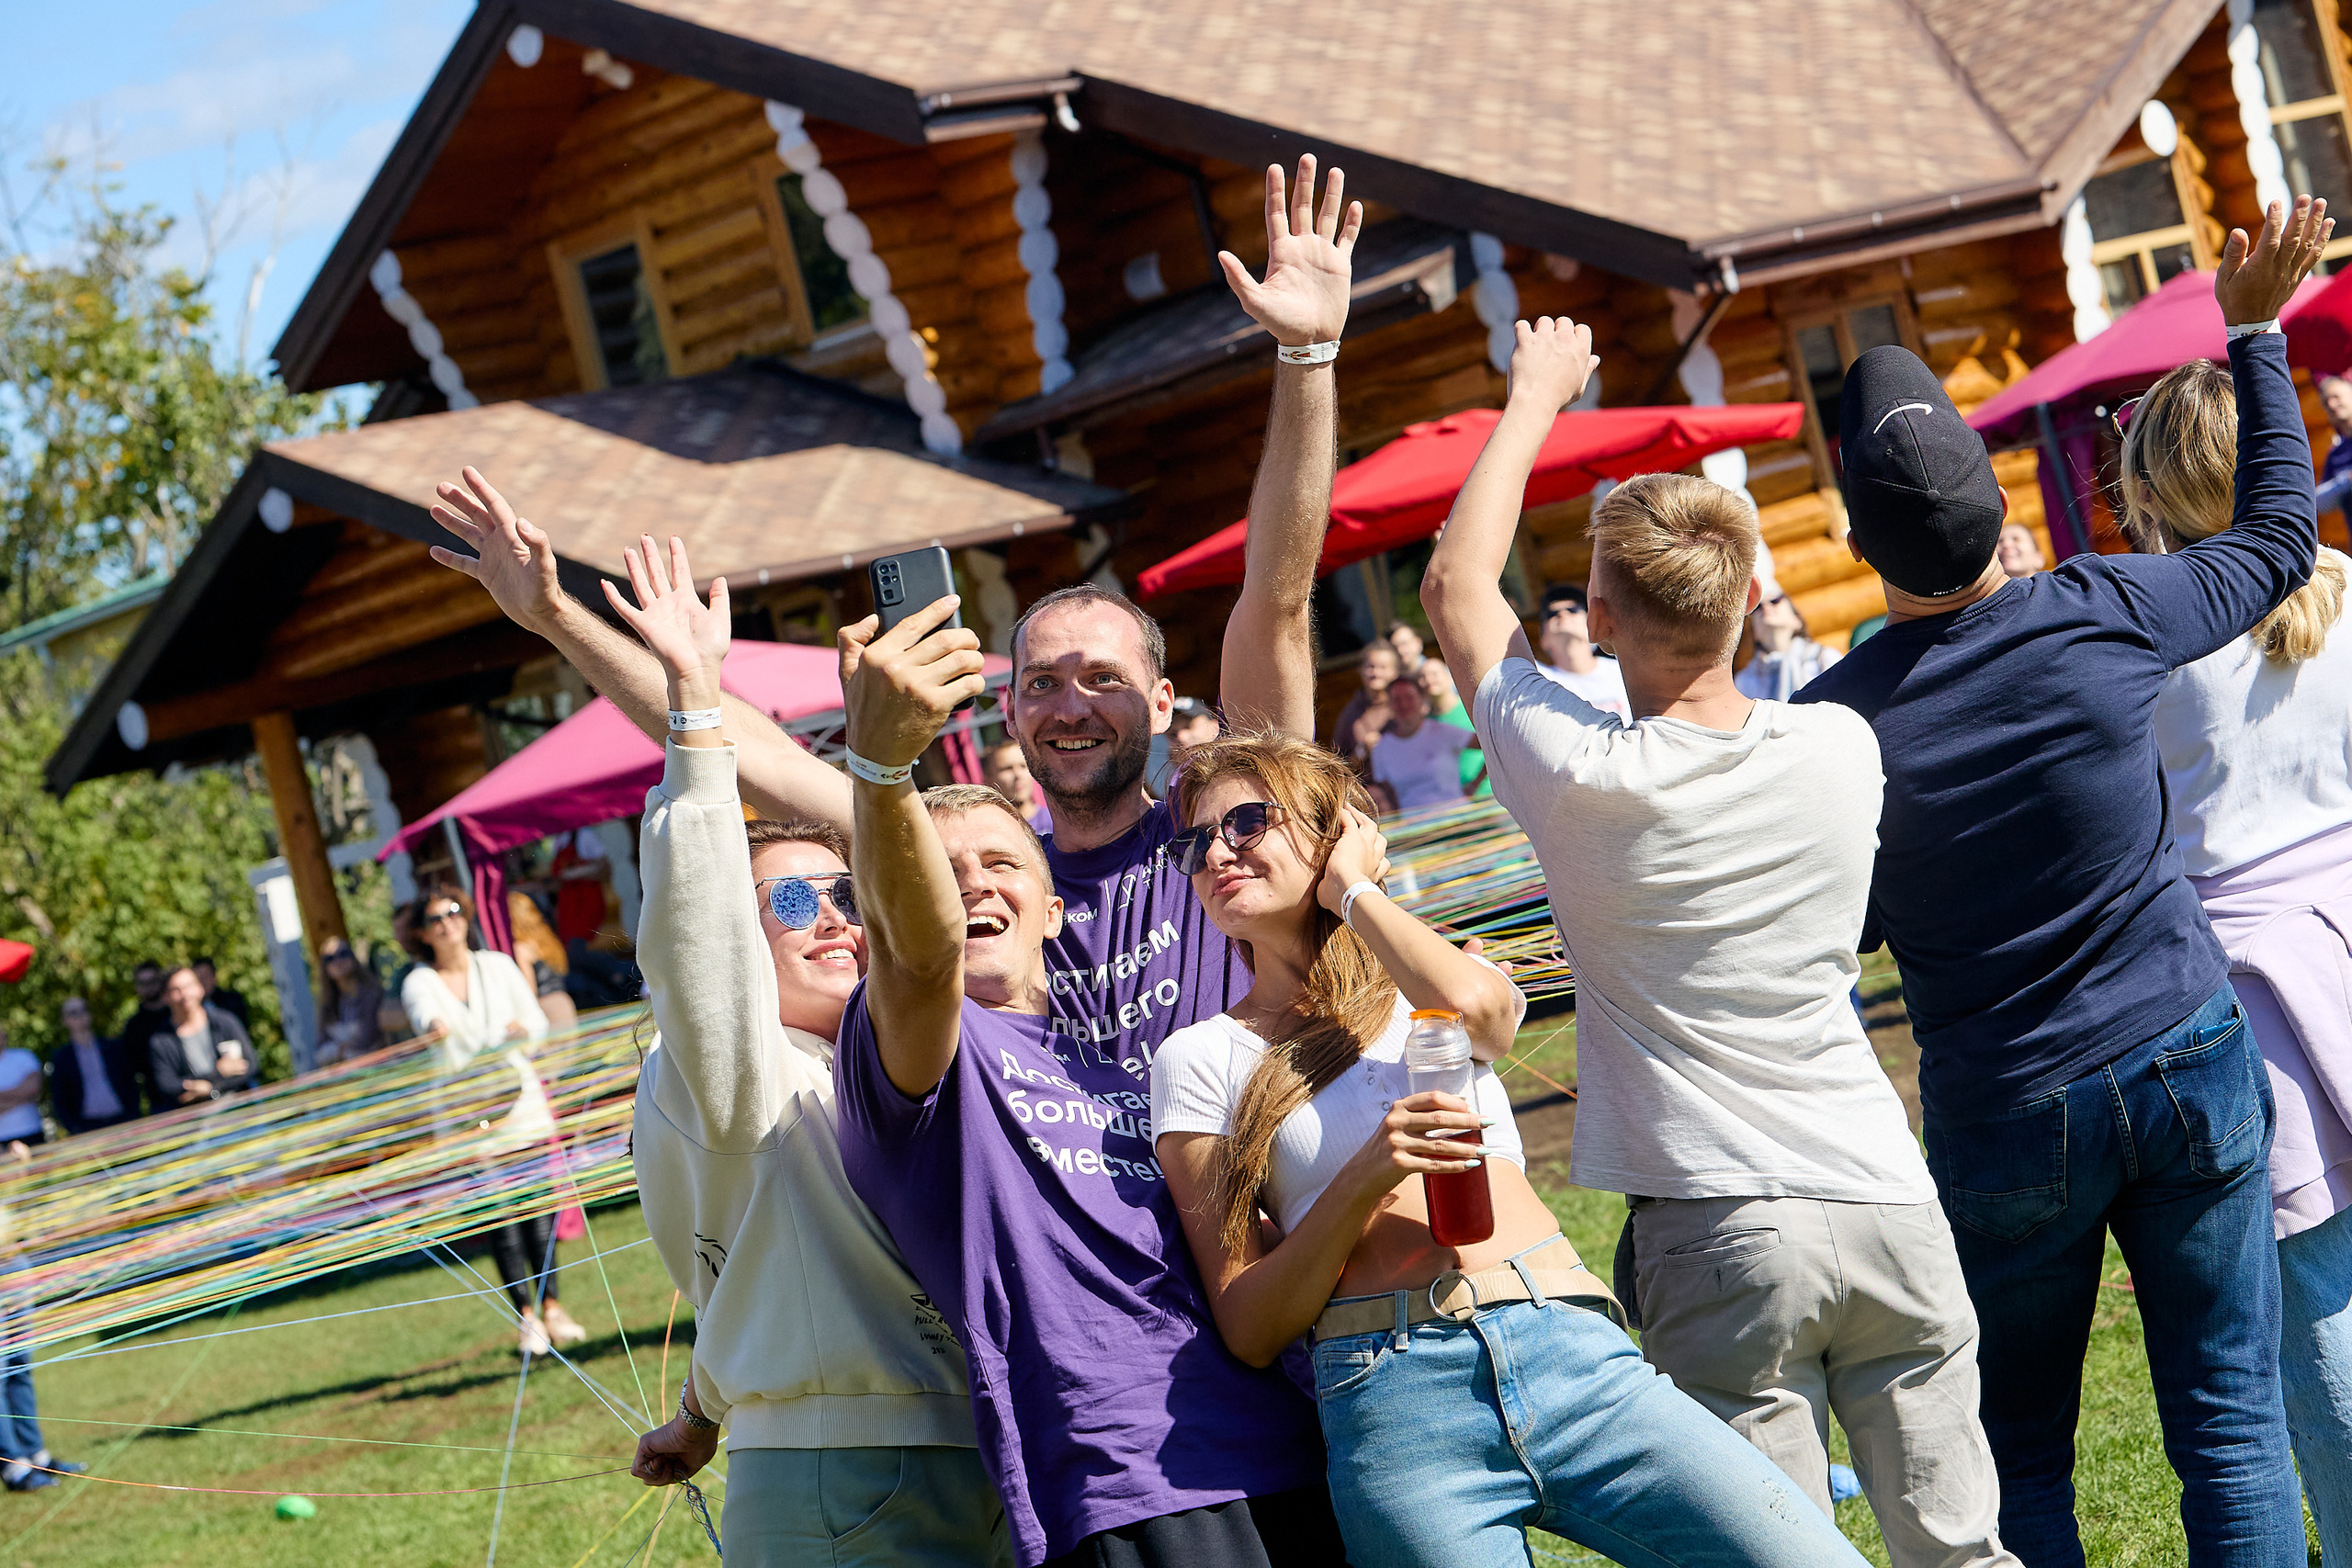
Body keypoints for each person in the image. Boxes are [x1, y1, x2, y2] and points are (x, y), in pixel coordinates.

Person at [1422, 316, 2018, 1568]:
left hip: (1718, 1219)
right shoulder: (1840, 745)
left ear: (1596, 611)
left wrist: (1534, 398)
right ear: (1752, 601)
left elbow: (1455, 590)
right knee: (1963, 1551)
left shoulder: (1583, 774)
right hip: (1883, 1186)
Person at [1790, 197, 2333, 1566]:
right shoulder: (2099, 607)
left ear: (1862, 548)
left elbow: (1824, 926)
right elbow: (2279, 540)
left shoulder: (1832, 727)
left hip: (2004, 1105)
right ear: (1996, 504)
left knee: (2016, 1452)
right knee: (2230, 1419)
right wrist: (2255, 332)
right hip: (2187, 1051)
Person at [1150, 729, 1871, 1568]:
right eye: (1193, 841)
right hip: (1392, 1396)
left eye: (1245, 821)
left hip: (1568, 1348)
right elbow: (1248, 1322)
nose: (1215, 854)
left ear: (1331, 829)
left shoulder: (1428, 979)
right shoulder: (1200, 1058)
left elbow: (1479, 1012)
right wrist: (1363, 1176)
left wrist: (1354, 890)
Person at [831, 595, 1344, 1568]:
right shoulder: (915, 1057)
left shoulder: (1110, 1056)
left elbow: (1274, 612)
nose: (972, 885)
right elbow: (916, 952)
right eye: (941, 873)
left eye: (997, 863)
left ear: (1055, 909)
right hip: (1133, 1474)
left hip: (1284, 1424)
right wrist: (879, 768)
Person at [611, 541, 1012, 1565]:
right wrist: (695, 705)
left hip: (962, 1458)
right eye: (791, 900)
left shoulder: (863, 1062)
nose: (831, 916)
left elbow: (760, 1266)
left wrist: (699, 1412)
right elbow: (694, 938)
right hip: (849, 1483)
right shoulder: (730, 1072)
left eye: (844, 893)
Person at [2122, 356, 2352, 1562]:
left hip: (2251, 999)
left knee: (2318, 1317)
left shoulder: (2150, 653)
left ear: (2153, 488)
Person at [398, 887, 587, 1357]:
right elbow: (424, 1015)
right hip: (466, 1113)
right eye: (436, 918)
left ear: (465, 918)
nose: (447, 923)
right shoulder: (419, 981)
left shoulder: (498, 966)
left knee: (538, 1209)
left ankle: (554, 1308)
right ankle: (526, 1317)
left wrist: (527, 1029)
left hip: (518, 1105)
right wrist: (432, 1028)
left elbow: (536, 1019)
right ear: (423, 932)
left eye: (454, 913)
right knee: (500, 1216)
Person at [1364, 675, 1476, 815]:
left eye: (1409, 697)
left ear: (1421, 701)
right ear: (1390, 705)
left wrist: (1474, 785)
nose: (1404, 704)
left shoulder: (1441, 731)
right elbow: (1387, 795)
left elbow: (1489, 745)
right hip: (1417, 829)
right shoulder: (1381, 749)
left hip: (1457, 821)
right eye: (1397, 699)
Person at [146, 965, 256, 1106]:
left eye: (189, 986)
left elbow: (250, 1064)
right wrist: (218, 1073)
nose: (185, 994)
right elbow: (167, 1085)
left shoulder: (225, 1022)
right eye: (176, 990)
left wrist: (212, 1088)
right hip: (194, 1120)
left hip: (241, 1109)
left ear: (200, 988)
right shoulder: (160, 1041)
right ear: (165, 997)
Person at [1734, 557, 1838, 701]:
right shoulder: (1745, 680)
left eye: (1774, 601)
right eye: (1757, 607)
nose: (1766, 607)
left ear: (1797, 620)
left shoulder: (1823, 658)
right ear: (1754, 633)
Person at [1532, 582, 1631, 718]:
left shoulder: (1624, 672)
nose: (1562, 614)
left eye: (1572, 610)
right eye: (1552, 614)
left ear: (1591, 625)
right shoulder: (1540, 682)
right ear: (1542, 638)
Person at [50, 998, 139, 1134]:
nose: (80, 1016)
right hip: (87, 1128)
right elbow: (60, 1099)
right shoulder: (62, 1058)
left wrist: (133, 1116)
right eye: (73, 1013)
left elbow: (130, 1084)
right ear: (64, 1020)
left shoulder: (112, 1047)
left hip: (123, 1122)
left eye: (83, 1010)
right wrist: (74, 1128)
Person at [1417, 658, 1489, 797]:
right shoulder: (1425, 723)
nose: (1429, 680)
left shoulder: (1471, 708)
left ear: (1449, 677)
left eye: (1434, 674)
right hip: (1454, 803)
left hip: (1489, 795)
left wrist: (1475, 783)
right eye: (1423, 676)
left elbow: (1493, 745)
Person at [312, 939, 389, 1067]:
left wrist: (338, 1050)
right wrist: (342, 1050)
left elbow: (368, 1042)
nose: (338, 961)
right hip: (349, 1076)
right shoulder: (327, 1006)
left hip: (378, 1068)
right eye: (329, 958)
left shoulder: (372, 994)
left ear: (352, 957)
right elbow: (319, 1052)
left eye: (343, 954)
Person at [1329, 640, 1400, 763]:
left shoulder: (1405, 705)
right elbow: (1339, 766)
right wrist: (1362, 751)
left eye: (1383, 667)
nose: (1376, 673)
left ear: (1395, 672)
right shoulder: (1351, 713)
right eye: (1371, 667)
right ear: (1361, 670)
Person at [114, 960, 169, 1107]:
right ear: (137, 987)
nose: (149, 987)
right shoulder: (133, 1027)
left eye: (152, 981)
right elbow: (132, 1069)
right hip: (159, 1101)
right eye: (143, 983)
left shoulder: (176, 1015)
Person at [985, 736, 1053, 833]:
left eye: (1023, 766)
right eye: (1007, 769)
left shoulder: (1056, 821)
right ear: (988, 778)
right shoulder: (992, 833)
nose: (1018, 775)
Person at [0, 1033, 38, 1156]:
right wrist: (22, 1098)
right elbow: (27, 1093)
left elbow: (32, 1089)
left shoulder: (24, 1056)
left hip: (33, 1133)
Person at [189, 957, 250, 1028]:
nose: (203, 981)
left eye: (206, 975)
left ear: (214, 977)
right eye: (199, 977)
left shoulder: (233, 1001)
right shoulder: (188, 1005)